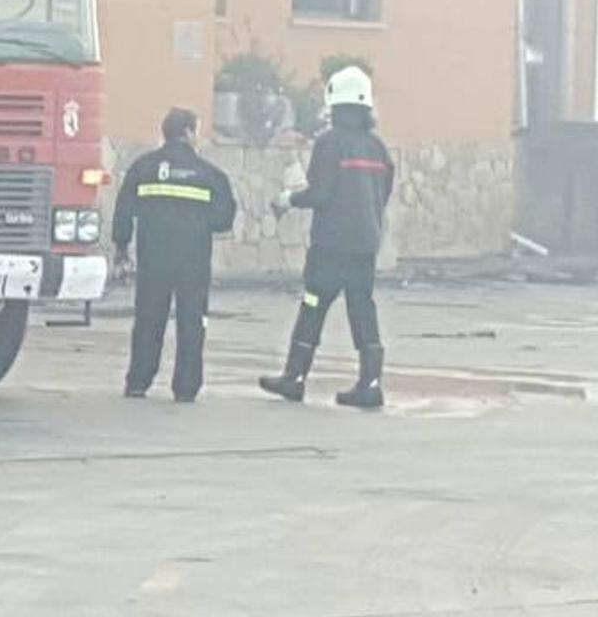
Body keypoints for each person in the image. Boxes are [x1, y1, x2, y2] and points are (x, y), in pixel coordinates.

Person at [259, 66, 394, 409]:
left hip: (332, 245)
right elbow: (385, 191)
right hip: (365, 244)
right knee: (362, 307)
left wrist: (288, 199)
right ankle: (371, 383)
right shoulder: (377, 148)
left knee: (313, 304)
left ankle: (295, 377)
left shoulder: (330, 143)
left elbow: (320, 194)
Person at [112, 108, 238, 403]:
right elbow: (224, 220)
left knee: (147, 319)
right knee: (192, 321)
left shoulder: (142, 167)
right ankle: (185, 387)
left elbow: (123, 211)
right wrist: (196, 223)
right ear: (189, 133)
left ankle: (138, 382)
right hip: (193, 260)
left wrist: (121, 248)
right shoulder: (211, 175)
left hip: (153, 256)